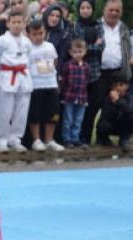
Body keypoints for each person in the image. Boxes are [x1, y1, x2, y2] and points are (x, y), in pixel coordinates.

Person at [82, 0, 129, 145]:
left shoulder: (124, 28)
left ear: (121, 12)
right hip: (99, 73)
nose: (114, 13)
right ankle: (84, 140)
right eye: (111, 10)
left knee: (121, 107)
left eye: (117, 10)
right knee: (93, 107)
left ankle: (122, 138)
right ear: (104, 10)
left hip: (119, 74)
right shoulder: (95, 26)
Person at [0, 9, 31, 152]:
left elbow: (29, 61)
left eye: (20, 22)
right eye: (14, 22)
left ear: (24, 23)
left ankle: (15, 138)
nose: (17, 25)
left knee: (21, 111)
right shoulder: (0, 41)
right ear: (8, 23)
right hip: (7, 76)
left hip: (24, 76)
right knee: (4, 111)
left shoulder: (27, 41)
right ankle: (1, 139)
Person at [26, 18, 63, 151]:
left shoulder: (50, 46)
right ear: (29, 34)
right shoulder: (27, 48)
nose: (38, 37)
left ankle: (49, 140)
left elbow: (55, 61)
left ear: (45, 32)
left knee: (52, 113)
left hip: (50, 83)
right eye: (34, 34)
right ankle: (36, 140)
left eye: (40, 33)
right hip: (35, 84)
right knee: (35, 113)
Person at [71, 0, 103, 143]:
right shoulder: (75, 25)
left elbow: (101, 47)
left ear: (92, 9)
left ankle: (86, 139)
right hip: (78, 74)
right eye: (82, 7)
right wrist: (90, 47)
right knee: (75, 109)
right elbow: (76, 48)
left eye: (88, 7)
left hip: (94, 74)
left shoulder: (98, 25)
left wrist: (85, 48)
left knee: (91, 110)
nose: (85, 10)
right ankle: (73, 138)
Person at [61, 38, 90, 148]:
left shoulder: (86, 67)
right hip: (69, 97)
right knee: (68, 119)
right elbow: (64, 80)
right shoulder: (67, 65)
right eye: (75, 52)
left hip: (82, 97)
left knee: (78, 120)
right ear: (70, 52)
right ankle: (66, 139)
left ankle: (75, 138)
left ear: (85, 52)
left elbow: (86, 80)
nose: (78, 54)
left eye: (80, 51)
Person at [95, 71, 132, 148]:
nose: (118, 88)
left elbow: (129, 110)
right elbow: (105, 116)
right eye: (115, 85)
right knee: (103, 125)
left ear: (127, 86)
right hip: (112, 124)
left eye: (121, 85)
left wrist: (118, 101)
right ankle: (104, 139)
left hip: (124, 126)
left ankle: (124, 139)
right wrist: (113, 102)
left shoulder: (130, 98)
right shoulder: (107, 98)